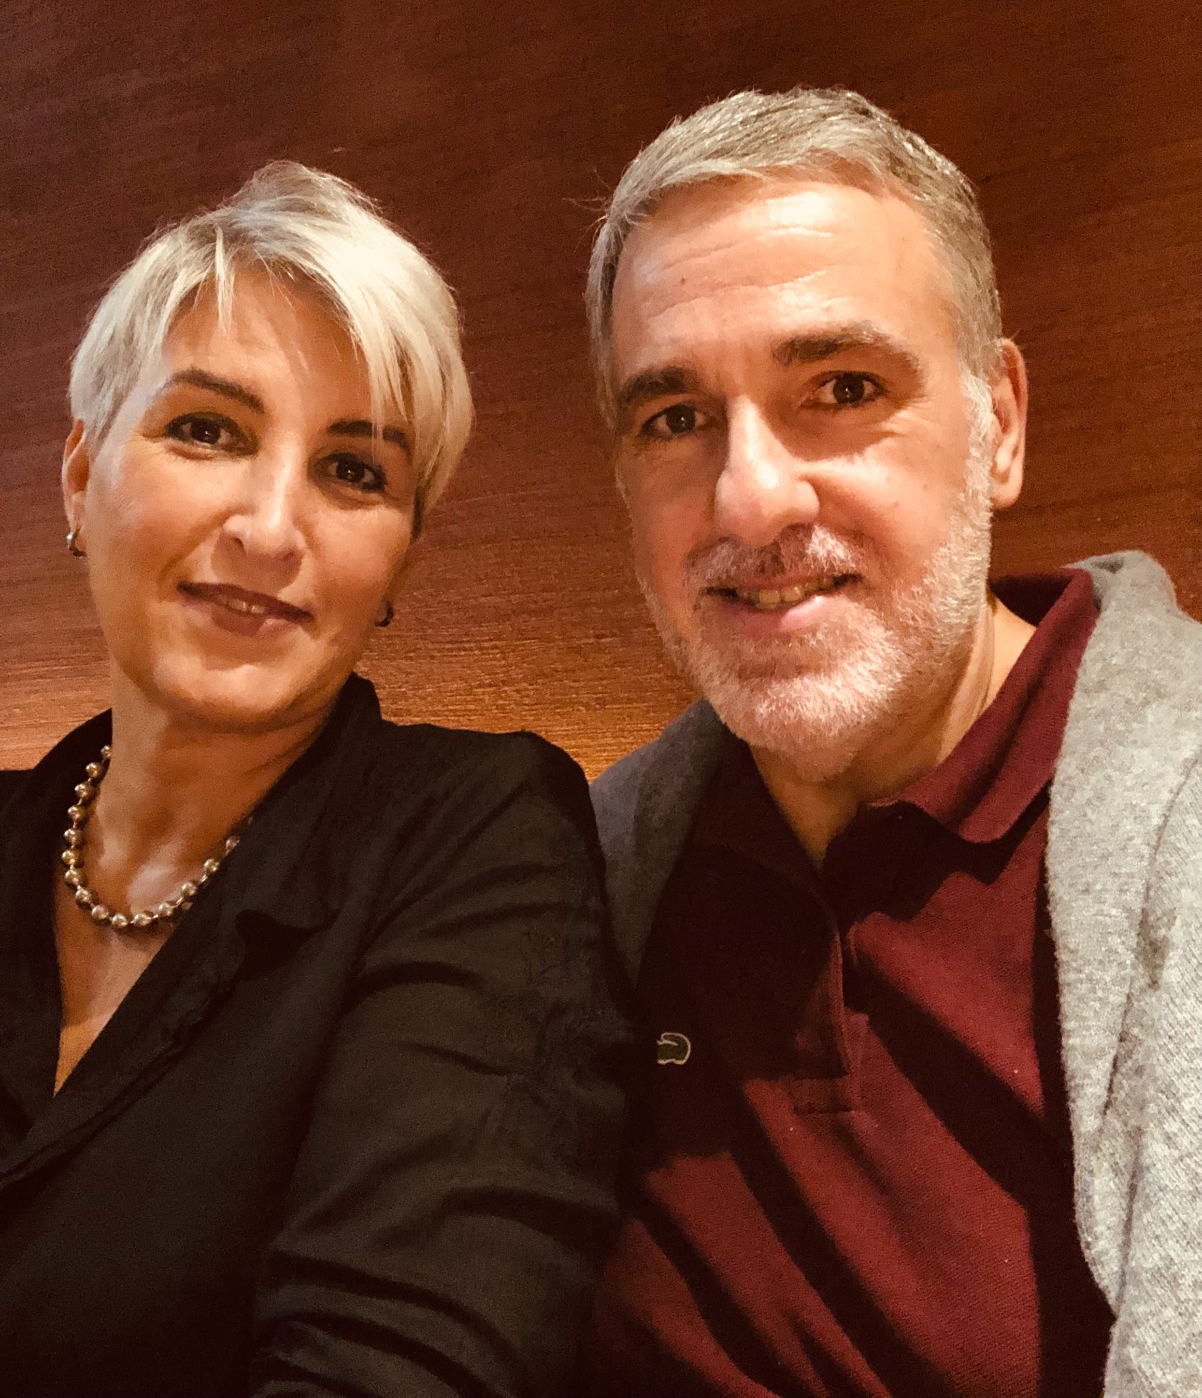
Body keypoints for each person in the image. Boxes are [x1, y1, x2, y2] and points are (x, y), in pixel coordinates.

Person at [578, 88, 1202, 1397]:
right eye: (674, 416)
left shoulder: (1174, 828)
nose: (750, 498)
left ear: (998, 425)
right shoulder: (591, 877)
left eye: (840, 389)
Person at [0, 162, 628, 1398]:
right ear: (80, 473)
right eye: (206, 430)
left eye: (354, 471)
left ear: (399, 558)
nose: (271, 528)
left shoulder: (477, 837)